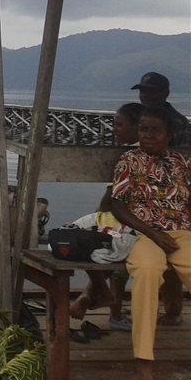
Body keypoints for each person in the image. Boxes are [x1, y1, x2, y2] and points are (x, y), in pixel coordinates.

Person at [109, 106, 191, 380]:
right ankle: (143, 361)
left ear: (169, 135)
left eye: (154, 130)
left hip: (181, 233)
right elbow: (116, 205)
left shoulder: (181, 162)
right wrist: (153, 233)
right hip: (145, 233)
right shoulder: (129, 161)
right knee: (147, 270)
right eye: (143, 129)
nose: (147, 136)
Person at [69, 102, 144, 329]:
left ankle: (100, 295)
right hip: (130, 230)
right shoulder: (147, 153)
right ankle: (111, 309)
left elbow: (109, 201)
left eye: (119, 125)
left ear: (138, 127)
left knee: (77, 237)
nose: (114, 129)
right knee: (111, 249)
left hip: (120, 226)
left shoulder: (130, 157)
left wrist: (99, 211)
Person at [130, 71, 190, 146]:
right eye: (142, 91)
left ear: (165, 93)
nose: (144, 95)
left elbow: (184, 152)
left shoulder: (179, 122)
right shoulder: (134, 116)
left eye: (150, 91)